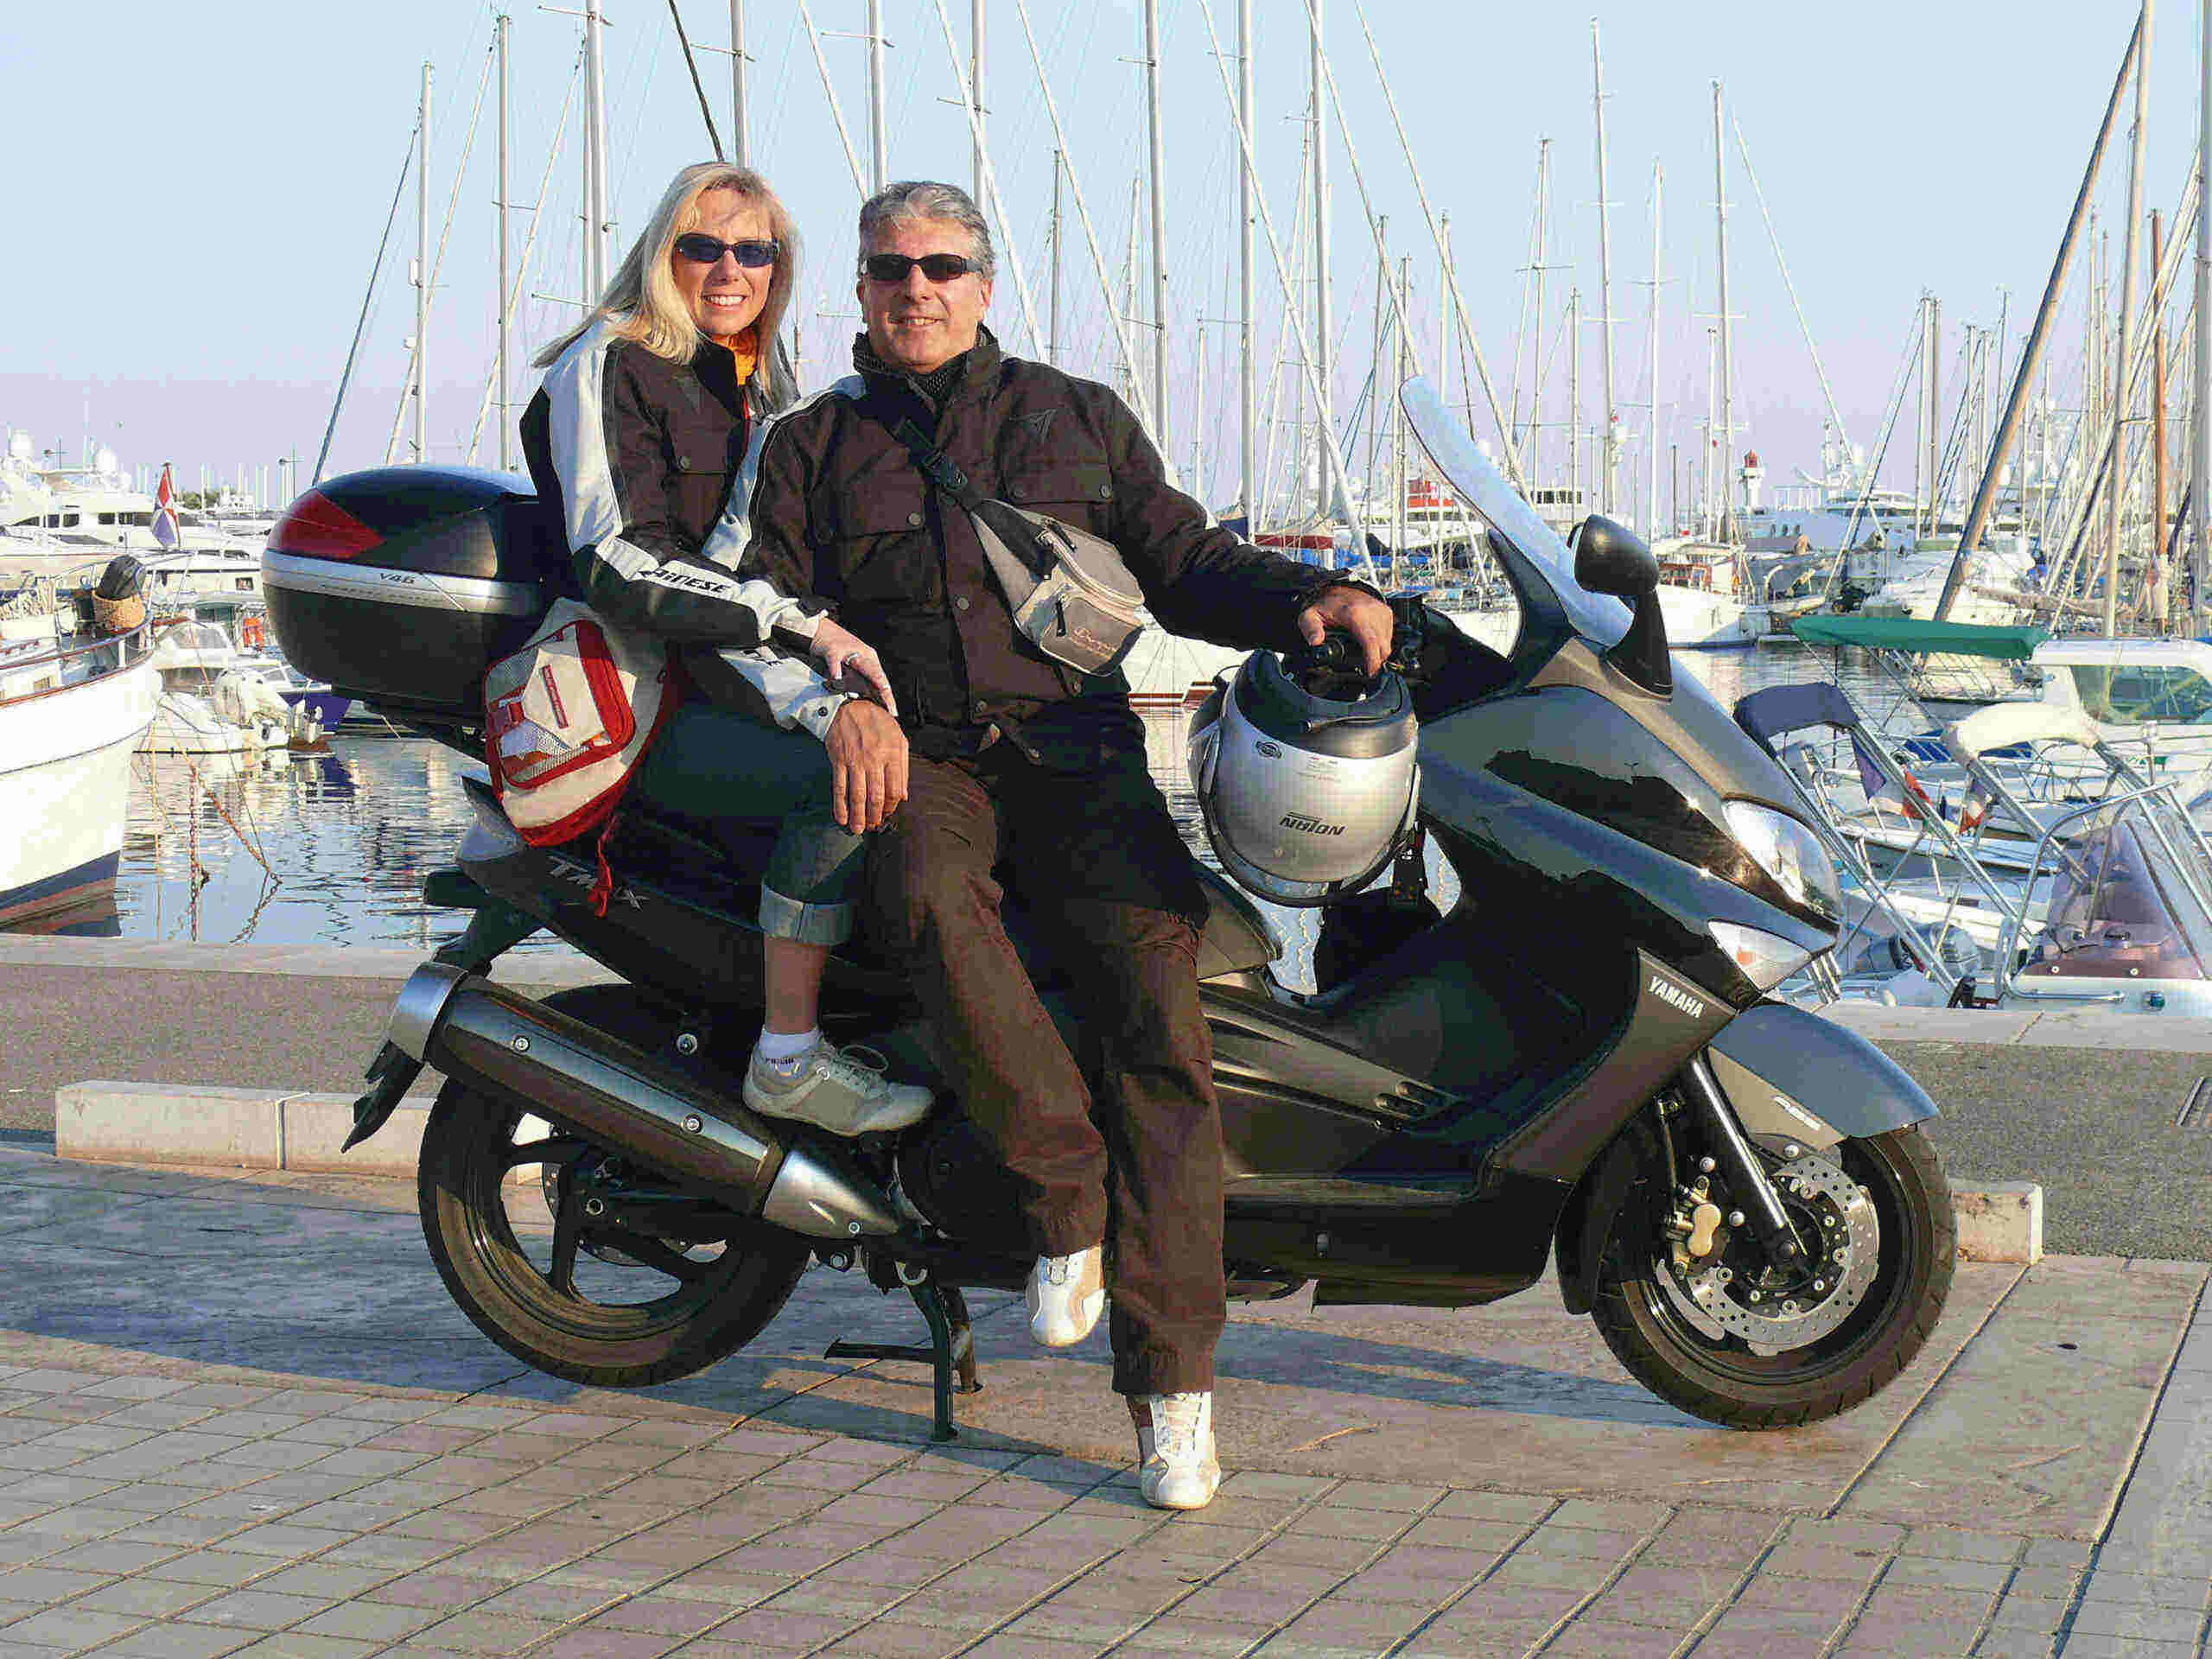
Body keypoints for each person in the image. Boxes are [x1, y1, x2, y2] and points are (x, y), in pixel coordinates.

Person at [743, 180, 1394, 1510]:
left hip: (1079, 754)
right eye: (889, 270)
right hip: (920, 754)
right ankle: (1064, 1192)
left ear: (984, 286)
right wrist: (836, 707)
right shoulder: (812, 445)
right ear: (860, 290)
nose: (915, 289)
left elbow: (1186, 561)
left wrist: (1314, 598)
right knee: (925, 896)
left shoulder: (1075, 416)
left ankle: (1175, 1395)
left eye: (941, 267)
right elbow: (771, 607)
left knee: (1160, 1002)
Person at [519, 162, 929, 1139]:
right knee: (844, 782)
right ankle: (787, 1056)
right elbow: (617, 558)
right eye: (702, 246)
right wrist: (798, 628)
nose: (729, 269)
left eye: (754, 251)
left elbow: (754, 554)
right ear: (661, 255)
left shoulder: (751, 383)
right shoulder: (611, 361)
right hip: (632, 705)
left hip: (716, 681)